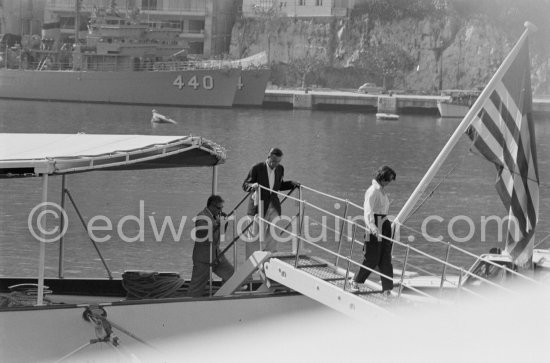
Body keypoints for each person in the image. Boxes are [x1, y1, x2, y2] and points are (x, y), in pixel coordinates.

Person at [242, 147, 299, 258]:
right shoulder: (257, 168)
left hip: (273, 205)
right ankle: (250, 264)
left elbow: (279, 185)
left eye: (278, 162)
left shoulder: (280, 169)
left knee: (275, 229)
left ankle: (269, 254)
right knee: (254, 237)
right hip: (258, 206)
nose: (275, 164)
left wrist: (292, 183)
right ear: (268, 157)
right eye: (273, 161)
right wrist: (252, 186)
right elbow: (245, 185)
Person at [350, 166, 396, 295]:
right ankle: (355, 281)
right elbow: (368, 211)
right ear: (382, 177)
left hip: (384, 223)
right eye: (388, 180)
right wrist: (373, 227)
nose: (389, 183)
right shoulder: (373, 191)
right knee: (372, 257)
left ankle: (387, 289)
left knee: (385, 258)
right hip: (375, 223)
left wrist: (386, 225)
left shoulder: (382, 191)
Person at [187, 195, 234, 297]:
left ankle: (223, 295)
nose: (220, 210)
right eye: (218, 208)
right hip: (203, 259)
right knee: (196, 288)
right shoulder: (201, 216)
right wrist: (216, 223)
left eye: (222, 208)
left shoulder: (217, 216)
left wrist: (224, 223)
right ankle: (189, 306)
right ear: (211, 206)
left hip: (217, 256)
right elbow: (200, 229)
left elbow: (221, 235)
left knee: (232, 275)